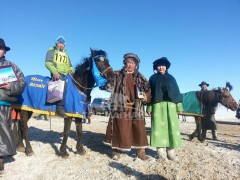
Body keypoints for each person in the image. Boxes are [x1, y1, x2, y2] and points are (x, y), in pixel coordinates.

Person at [104, 53, 151, 160]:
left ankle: (141, 152)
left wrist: (145, 97)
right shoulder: (117, 74)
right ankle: (116, 150)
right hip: (120, 106)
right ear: (125, 64)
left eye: (132, 63)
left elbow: (147, 90)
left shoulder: (140, 77)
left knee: (139, 129)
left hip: (136, 107)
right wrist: (108, 80)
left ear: (136, 65)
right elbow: (109, 87)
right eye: (128, 62)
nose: (129, 65)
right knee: (120, 128)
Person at [146, 57, 183, 161]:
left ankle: (171, 152)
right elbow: (150, 94)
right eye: (159, 66)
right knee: (158, 128)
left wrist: (179, 106)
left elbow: (176, 92)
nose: (161, 67)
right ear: (156, 67)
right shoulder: (152, 78)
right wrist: (149, 107)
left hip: (171, 106)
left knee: (172, 128)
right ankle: (161, 153)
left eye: (163, 65)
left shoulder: (172, 78)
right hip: (157, 106)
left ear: (166, 67)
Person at [0, 38, 26, 171]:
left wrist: (10, 86)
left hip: (3, 102)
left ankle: (0, 158)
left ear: (4, 51)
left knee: (2, 129)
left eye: (0, 48)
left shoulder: (12, 66)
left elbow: (22, 82)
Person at [45, 36, 73, 118]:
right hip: (56, 72)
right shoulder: (51, 51)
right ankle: (59, 107)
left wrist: (71, 70)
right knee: (62, 84)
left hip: (66, 74)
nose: (61, 45)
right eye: (60, 43)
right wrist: (54, 71)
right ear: (56, 43)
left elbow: (70, 66)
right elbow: (47, 62)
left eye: (63, 44)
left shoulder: (66, 55)